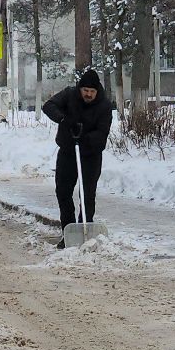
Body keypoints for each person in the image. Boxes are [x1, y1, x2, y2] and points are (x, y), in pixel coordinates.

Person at [41, 68, 115, 229]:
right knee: (63, 192)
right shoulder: (69, 95)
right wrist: (63, 119)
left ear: (97, 91)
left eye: (92, 91)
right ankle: (69, 230)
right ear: (80, 88)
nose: (88, 94)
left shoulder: (104, 106)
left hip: (90, 155)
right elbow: (48, 106)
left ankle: (85, 227)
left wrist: (83, 138)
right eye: (85, 90)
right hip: (68, 153)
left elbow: (102, 132)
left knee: (87, 194)